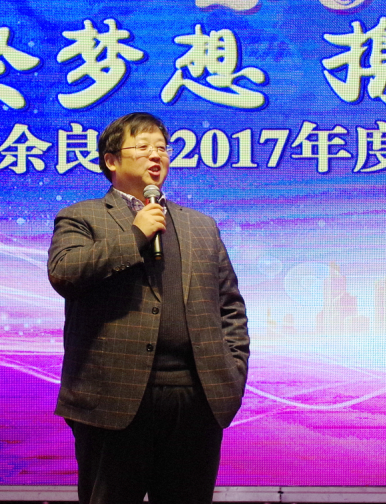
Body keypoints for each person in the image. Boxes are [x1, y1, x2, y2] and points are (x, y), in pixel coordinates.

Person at [47, 112, 249, 504]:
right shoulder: (81, 217)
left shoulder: (201, 226)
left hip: (195, 399)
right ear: (111, 160)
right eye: (142, 147)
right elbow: (65, 273)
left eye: (162, 148)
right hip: (112, 399)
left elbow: (230, 308)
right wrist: (137, 233)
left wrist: (232, 373)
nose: (156, 155)